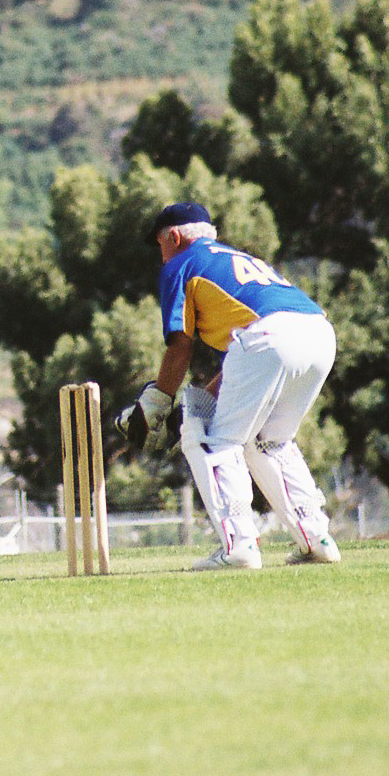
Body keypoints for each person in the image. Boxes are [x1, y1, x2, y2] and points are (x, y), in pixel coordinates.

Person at [114, 203, 341, 571]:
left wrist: (157, 402)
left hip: (269, 338)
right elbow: (253, 345)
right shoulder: (236, 259)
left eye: (159, 245)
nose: (161, 255)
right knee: (269, 442)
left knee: (212, 442)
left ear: (173, 237)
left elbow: (180, 345)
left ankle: (239, 548)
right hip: (318, 333)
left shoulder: (181, 264)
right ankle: (317, 539)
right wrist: (208, 396)